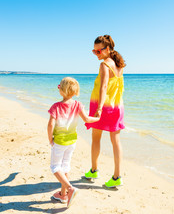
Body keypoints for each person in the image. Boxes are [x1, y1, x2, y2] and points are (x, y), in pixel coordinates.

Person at [48, 77, 100, 207]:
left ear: (62, 90)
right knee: (65, 166)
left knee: (55, 167)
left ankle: (70, 189)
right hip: (72, 141)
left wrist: (50, 138)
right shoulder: (77, 105)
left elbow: (50, 125)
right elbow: (87, 119)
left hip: (60, 141)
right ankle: (63, 194)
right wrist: (98, 118)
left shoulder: (56, 107)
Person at [85, 35, 126, 188]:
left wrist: (99, 108)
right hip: (117, 107)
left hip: (102, 106)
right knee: (116, 142)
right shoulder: (119, 65)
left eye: (98, 51)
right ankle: (117, 177)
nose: (96, 54)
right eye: (94, 51)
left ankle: (94, 170)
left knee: (96, 138)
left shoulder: (104, 65)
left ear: (107, 49)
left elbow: (103, 87)